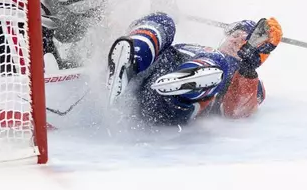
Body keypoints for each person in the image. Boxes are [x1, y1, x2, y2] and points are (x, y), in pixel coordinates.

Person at [106, 12, 282, 125]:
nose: (236, 40)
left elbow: (237, 110)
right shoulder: (198, 48)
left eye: (244, 41)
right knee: (164, 21)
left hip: (166, 105)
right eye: (235, 35)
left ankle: (187, 83)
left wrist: (248, 68)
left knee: (217, 62)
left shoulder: (245, 77)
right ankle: (131, 59)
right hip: (147, 73)